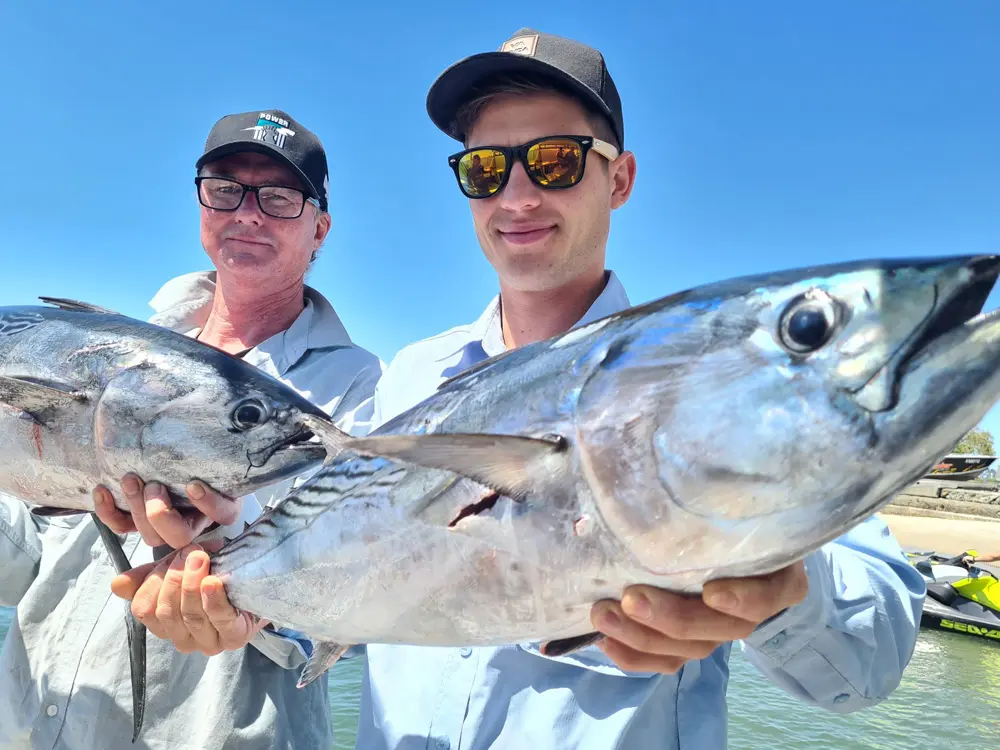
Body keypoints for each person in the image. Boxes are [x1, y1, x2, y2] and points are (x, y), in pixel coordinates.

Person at [110, 30, 927, 750]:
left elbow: (868, 665)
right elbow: (335, 587)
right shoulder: (410, 380)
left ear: (621, 178)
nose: (519, 196)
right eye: (485, 170)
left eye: (556, 161)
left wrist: (785, 591)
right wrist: (217, 596)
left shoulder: (711, 384)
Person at [0, 108, 383, 749]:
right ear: (202, 205)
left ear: (320, 228)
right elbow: (28, 559)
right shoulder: (109, 350)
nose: (248, 213)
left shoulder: (359, 389)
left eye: (280, 197)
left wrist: (234, 567)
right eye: (226, 189)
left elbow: (349, 594)